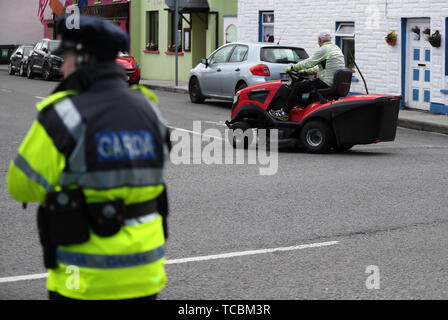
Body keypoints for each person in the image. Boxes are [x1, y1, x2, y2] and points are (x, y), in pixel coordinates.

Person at [7, 15, 171, 300]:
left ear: (84, 60)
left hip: (83, 281)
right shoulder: (150, 110)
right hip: (146, 276)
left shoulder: (63, 114)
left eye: (68, 58)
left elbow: (20, 185)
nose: (63, 68)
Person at [269, 30, 346, 121]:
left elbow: (309, 62)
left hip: (326, 82)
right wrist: (305, 72)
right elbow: (321, 68)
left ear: (319, 40)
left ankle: (283, 113)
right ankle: (300, 110)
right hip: (334, 82)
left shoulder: (324, 49)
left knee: (298, 86)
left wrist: (293, 67)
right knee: (305, 85)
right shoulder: (336, 48)